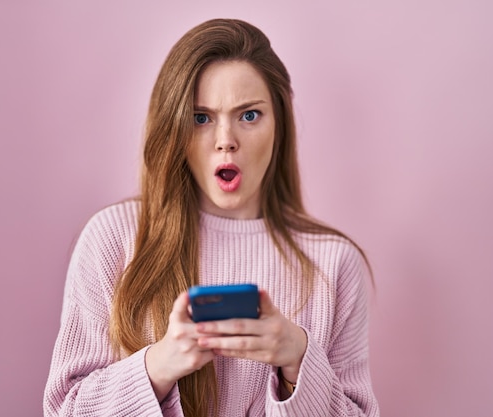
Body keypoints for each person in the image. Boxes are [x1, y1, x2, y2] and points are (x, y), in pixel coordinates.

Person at [43, 18, 379, 417]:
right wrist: (159, 365)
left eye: (249, 115)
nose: (226, 140)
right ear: (174, 129)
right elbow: (66, 409)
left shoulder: (335, 264)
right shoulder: (113, 239)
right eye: (201, 118)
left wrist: (297, 361)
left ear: (280, 126)